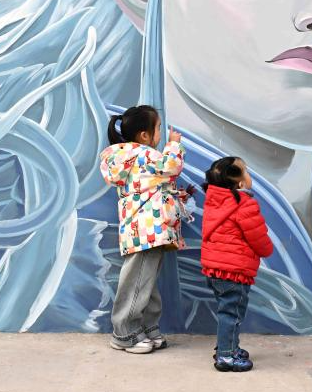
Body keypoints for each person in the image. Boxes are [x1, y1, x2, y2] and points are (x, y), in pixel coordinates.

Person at [100, 105, 185, 354]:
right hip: (147, 230)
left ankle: (147, 327)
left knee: (144, 282)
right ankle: (124, 333)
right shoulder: (144, 154)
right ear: (144, 135)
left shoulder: (133, 158)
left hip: (146, 229)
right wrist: (173, 144)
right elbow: (171, 166)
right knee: (137, 281)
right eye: (158, 128)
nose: (161, 133)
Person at [200, 156, 273, 372]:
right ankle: (226, 355)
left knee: (227, 311)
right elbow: (258, 236)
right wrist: (267, 250)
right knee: (232, 314)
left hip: (215, 270)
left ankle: (228, 346)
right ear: (240, 183)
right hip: (234, 272)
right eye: (246, 171)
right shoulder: (244, 205)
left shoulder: (214, 202)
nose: (249, 175)